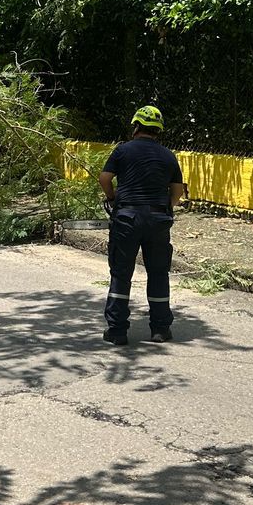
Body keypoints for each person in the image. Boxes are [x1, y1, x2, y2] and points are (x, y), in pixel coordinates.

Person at [98, 105, 187, 345]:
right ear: (158, 130)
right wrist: (164, 208)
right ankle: (160, 329)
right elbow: (177, 191)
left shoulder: (122, 150)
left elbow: (105, 178)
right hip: (158, 220)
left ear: (136, 126)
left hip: (127, 218)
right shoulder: (168, 155)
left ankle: (117, 331)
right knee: (158, 273)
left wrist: (112, 198)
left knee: (121, 274)